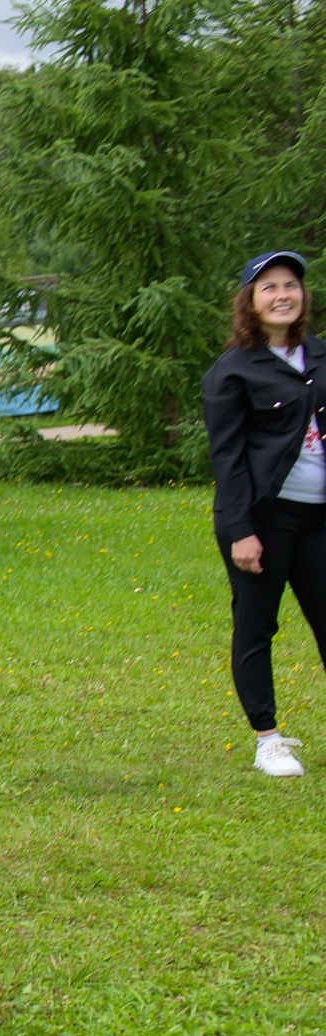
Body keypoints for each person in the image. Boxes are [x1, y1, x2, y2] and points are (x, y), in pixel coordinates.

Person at [203, 250, 326, 777]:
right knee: (256, 626)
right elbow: (227, 459)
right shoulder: (232, 371)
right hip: (264, 521)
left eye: (291, 285)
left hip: (320, 518)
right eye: (269, 286)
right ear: (250, 302)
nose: (283, 294)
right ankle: (268, 740)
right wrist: (241, 532)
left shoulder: (321, 356)